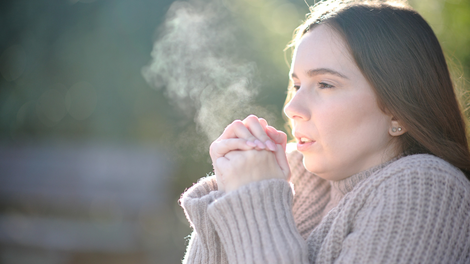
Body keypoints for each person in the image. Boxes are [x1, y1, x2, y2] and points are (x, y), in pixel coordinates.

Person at [180, 0, 470, 263]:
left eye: (325, 84)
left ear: (398, 109)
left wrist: (256, 199)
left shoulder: (426, 188)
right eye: (296, 86)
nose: (292, 108)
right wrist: (228, 196)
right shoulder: (295, 178)